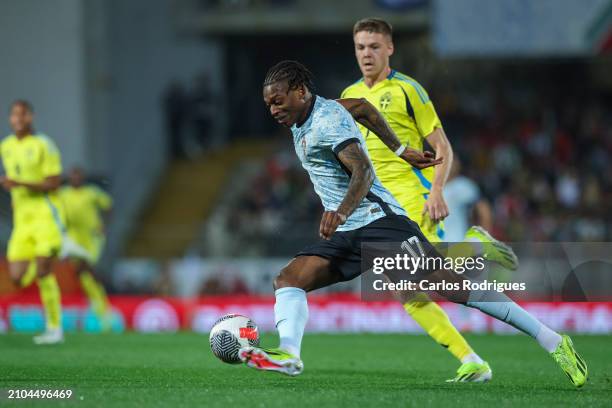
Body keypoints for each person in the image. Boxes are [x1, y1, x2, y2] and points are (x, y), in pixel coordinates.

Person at [238, 61, 587, 389]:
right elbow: (361, 106)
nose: (274, 110)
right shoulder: (317, 113)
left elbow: (363, 171)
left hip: (379, 223)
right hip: (347, 232)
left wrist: (341, 211)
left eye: (278, 101)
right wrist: (401, 147)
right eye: (269, 104)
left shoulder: (327, 122)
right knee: (289, 279)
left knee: (453, 288)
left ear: (300, 90)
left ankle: (554, 340)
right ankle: (289, 354)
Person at [340, 18, 517, 381]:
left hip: (411, 194)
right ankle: (471, 360)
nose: (367, 54)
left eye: (374, 46)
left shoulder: (408, 90)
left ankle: (475, 250)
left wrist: (436, 190)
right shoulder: (349, 96)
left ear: (389, 48)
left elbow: (442, 147)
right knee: (407, 290)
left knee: (434, 279)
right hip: (378, 204)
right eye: (361, 47)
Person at [0, 100, 64, 344]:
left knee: (44, 270)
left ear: (31, 117)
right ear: (9, 119)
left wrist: (20, 184)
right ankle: (42, 269)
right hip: (22, 220)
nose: (18, 118)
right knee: (16, 276)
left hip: (46, 216)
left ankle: (54, 328)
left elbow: (54, 182)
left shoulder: (43, 145)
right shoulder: (5, 146)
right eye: (14, 114)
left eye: (22, 114)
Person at [58, 167, 113, 329]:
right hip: (73, 236)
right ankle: (100, 304)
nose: (75, 179)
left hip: (92, 237)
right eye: (72, 176)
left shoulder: (92, 192)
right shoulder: (63, 193)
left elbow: (109, 206)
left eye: (78, 176)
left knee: (85, 266)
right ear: (69, 178)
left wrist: (104, 225)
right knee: (83, 274)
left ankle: (102, 296)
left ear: (82, 178)